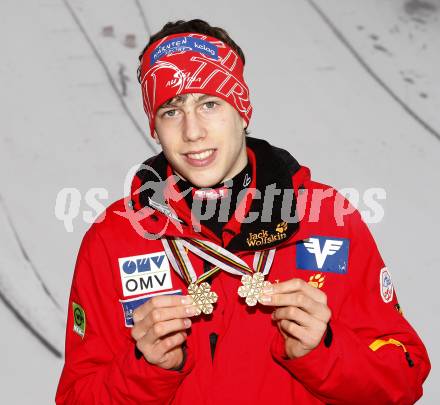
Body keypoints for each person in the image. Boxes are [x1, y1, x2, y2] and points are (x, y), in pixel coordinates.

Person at [56, 19, 431, 404]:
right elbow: (76, 397)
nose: (193, 132)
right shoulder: (115, 237)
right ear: (155, 126)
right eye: (171, 110)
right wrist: (146, 368)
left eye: (209, 104)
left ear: (242, 110)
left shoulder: (328, 218)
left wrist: (324, 350)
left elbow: (403, 378)